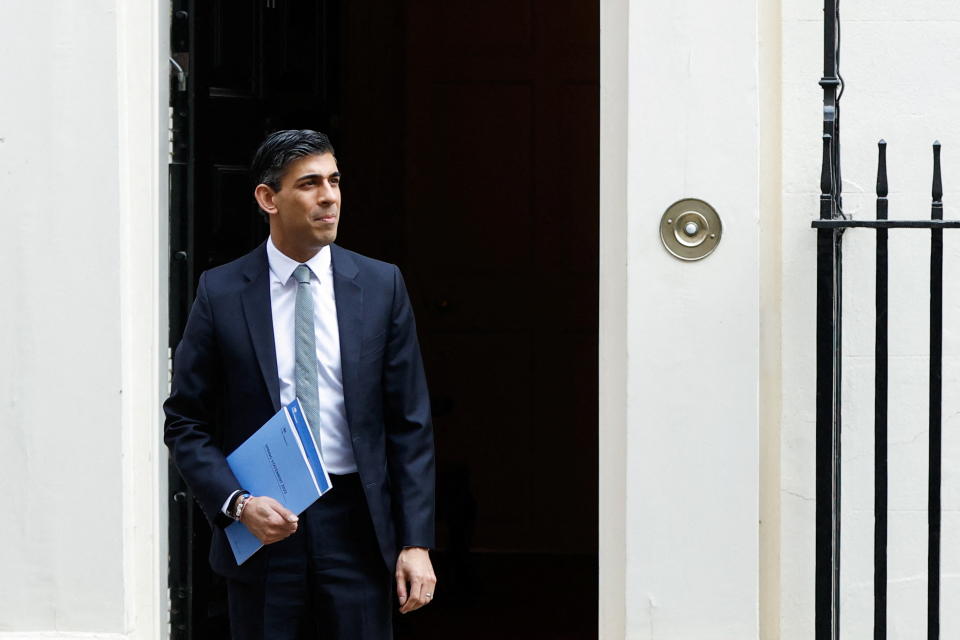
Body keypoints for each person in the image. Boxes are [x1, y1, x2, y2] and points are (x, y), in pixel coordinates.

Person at [163, 129, 436, 639]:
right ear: (268, 198)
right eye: (309, 184)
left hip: (359, 523)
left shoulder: (381, 286)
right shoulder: (221, 292)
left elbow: (410, 423)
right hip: (265, 524)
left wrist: (415, 541)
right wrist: (238, 503)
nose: (329, 195)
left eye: (334, 180)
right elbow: (185, 421)